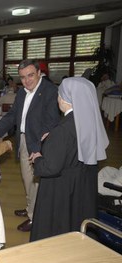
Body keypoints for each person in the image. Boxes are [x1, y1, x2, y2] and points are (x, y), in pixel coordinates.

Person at [30, 77, 109, 241]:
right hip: (82, 186)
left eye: (59, 95)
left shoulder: (62, 130)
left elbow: (50, 167)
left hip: (62, 190)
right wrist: (51, 140)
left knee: (58, 230)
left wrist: (37, 158)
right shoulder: (89, 122)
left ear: (66, 100)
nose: (58, 98)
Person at [0, 59, 60, 232]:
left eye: (30, 75)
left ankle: (35, 217)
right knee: (27, 178)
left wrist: (39, 148)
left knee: (35, 181)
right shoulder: (23, 92)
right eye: (23, 77)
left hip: (39, 142)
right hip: (23, 139)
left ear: (39, 73)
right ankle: (30, 207)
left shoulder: (50, 91)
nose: (27, 80)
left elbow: (51, 123)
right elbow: (13, 115)